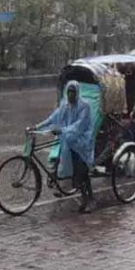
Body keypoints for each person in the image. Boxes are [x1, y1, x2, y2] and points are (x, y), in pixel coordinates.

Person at [36, 80, 95, 213]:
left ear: (77, 93)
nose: (70, 95)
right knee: (55, 158)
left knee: (81, 170)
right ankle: (58, 183)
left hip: (81, 142)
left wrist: (63, 130)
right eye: (68, 92)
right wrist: (37, 127)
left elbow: (79, 126)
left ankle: (90, 199)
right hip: (68, 140)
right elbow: (52, 118)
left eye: (73, 92)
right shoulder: (64, 105)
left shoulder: (84, 106)